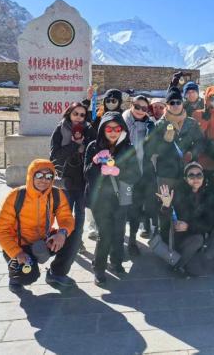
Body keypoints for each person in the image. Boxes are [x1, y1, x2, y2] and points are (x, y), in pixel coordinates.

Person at [0, 159, 76, 293]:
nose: (44, 180)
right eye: (39, 175)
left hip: (44, 241)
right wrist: (17, 253)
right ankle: (15, 276)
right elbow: (1, 230)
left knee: (72, 234)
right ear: (31, 175)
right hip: (20, 245)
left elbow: (66, 218)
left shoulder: (56, 194)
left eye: (48, 176)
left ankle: (56, 273)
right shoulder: (16, 196)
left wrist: (62, 233)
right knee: (26, 277)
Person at [84, 112, 141, 286]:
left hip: (120, 197)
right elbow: (86, 173)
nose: (113, 132)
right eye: (109, 128)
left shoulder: (128, 148)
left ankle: (116, 262)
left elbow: (136, 174)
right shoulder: (93, 146)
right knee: (105, 233)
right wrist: (96, 164)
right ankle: (99, 268)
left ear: (122, 129)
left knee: (118, 232)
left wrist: (118, 171)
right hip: (100, 198)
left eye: (117, 129)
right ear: (103, 129)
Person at [156, 162, 214, 276]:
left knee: (198, 270)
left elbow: (210, 224)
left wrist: (188, 226)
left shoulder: (209, 196)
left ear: (203, 177)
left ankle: (179, 261)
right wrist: (165, 206)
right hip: (174, 237)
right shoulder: (176, 192)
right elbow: (163, 221)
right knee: (194, 262)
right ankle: (177, 265)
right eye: (191, 175)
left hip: (193, 236)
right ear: (185, 179)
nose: (196, 178)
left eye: (199, 175)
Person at [50, 102, 96, 256]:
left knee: (80, 214)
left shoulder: (89, 130)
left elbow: (95, 151)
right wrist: (75, 145)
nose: (78, 117)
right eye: (75, 113)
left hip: (83, 179)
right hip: (66, 179)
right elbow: (55, 155)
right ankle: (65, 242)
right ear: (69, 113)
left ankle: (77, 242)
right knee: (66, 214)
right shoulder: (60, 129)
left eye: (82, 115)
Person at [148, 87, 204, 190]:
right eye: (172, 103)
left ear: (182, 104)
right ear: (167, 105)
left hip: (187, 172)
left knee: (186, 200)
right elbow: (151, 149)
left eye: (178, 102)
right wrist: (165, 141)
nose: (175, 105)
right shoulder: (159, 125)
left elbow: (200, 142)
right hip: (166, 173)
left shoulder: (192, 123)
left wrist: (192, 153)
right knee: (165, 199)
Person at [122, 95, 156, 254]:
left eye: (144, 108)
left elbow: (154, 149)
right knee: (122, 209)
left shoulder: (149, 124)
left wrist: (152, 133)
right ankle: (118, 242)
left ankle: (132, 241)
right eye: (137, 106)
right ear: (131, 105)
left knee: (135, 209)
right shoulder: (122, 122)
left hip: (141, 174)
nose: (140, 110)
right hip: (123, 175)